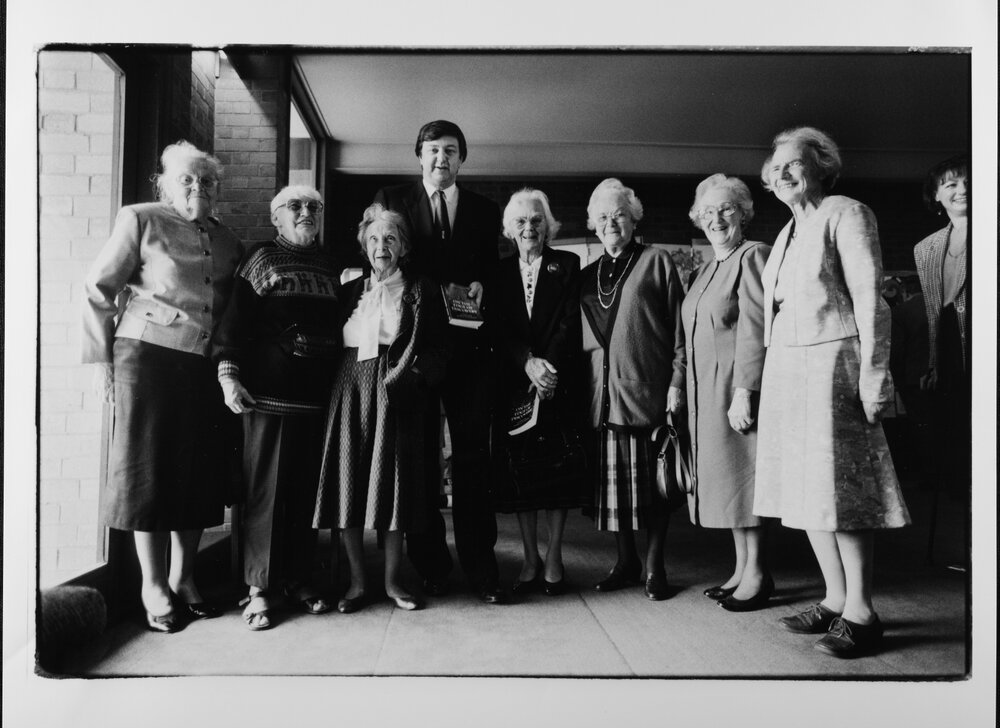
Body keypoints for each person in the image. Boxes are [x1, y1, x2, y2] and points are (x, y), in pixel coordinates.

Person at [753, 127, 910, 658]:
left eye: (794, 164)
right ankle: (836, 597)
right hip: (789, 370)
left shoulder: (847, 212)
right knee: (806, 490)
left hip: (832, 367)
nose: (783, 175)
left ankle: (863, 612)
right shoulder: (786, 233)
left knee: (842, 494)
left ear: (822, 165)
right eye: (776, 169)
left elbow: (871, 302)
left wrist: (875, 377)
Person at [82, 141, 244, 633]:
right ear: (165, 184)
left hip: (200, 365)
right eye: (187, 180)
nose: (198, 188)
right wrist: (100, 361)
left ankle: (183, 577)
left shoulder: (229, 240)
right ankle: (152, 585)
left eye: (207, 181)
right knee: (147, 470)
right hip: (146, 357)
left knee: (194, 472)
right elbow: (97, 290)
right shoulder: (141, 218)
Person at [373, 120, 506, 603]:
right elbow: (380, 256)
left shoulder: (485, 210)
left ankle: (481, 570)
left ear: (462, 159)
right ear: (419, 156)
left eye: (451, 151)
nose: (441, 159)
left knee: (473, 459)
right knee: (419, 459)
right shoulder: (392, 199)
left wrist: (483, 284)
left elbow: (491, 267)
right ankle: (430, 566)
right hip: (415, 350)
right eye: (432, 150)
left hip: (469, 351)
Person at [213, 185, 341, 630]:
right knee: (265, 494)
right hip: (267, 397)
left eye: (314, 207)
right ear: (276, 218)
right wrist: (228, 373)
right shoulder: (262, 259)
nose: (306, 213)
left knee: (307, 494)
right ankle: (259, 589)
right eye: (296, 207)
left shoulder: (330, 265)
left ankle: (300, 579)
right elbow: (233, 321)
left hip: (318, 401)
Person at [313, 203, 450, 613]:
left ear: (403, 246)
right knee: (348, 488)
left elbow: (442, 352)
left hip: (397, 395)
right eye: (373, 239)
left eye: (390, 238)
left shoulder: (422, 290)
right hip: (349, 392)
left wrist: (414, 379)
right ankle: (357, 583)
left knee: (393, 492)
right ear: (364, 247)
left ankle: (393, 582)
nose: (381, 246)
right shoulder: (350, 289)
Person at [580, 178, 686, 601]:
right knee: (614, 493)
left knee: (654, 487)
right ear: (593, 224)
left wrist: (677, 381)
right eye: (603, 216)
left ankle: (655, 565)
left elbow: (680, 331)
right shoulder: (587, 276)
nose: (611, 223)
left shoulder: (656, 260)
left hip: (646, 393)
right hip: (602, 397)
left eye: (619, 214)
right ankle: (626, 561)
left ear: (633, 218)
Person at [681, 174, 773, 611]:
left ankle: (757, 573)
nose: (717, 218)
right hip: (705, 393)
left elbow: (756, 329)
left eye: (727, 209)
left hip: (733, 389)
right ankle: (740, 568)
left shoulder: (753, 256)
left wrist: (745, 391)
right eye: (708, 212)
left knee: (743, 478)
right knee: (728, 483)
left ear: (744, 214)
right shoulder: (704, 269)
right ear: (698, 219)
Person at [489, 188, 585, 596]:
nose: (530, 227)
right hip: (514, 385)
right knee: (521, 477)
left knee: (557, 474)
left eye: (537, 220)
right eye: (522, 222)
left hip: (556, 382)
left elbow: (569, 322)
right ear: (511, 229)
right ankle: (529, 558)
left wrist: (546, 368)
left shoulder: (568, 264)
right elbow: (496, 328)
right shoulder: (497, 271)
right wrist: (526, 361)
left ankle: (555, 557)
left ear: (548, 225)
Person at [913, 155, 970, 506]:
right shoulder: (926, 248)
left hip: (984, 340)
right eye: (951, 184)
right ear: (936, 195)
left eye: (969, 181)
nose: (962, 189)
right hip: (950, 342)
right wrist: (933, 363)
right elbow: (935, 312)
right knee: (954, 431)